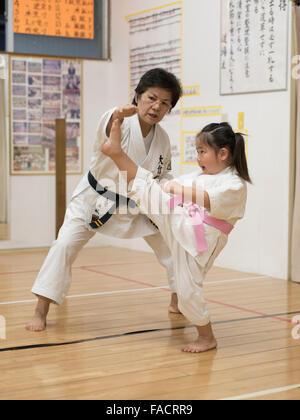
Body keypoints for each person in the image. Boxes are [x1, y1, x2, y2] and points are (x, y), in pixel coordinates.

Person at [26, 68, 182, 332]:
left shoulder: (163, 139)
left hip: (138, 204)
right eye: (152, 98)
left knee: (175, 248)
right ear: (137, 96)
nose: (156, 107)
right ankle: (40, 311)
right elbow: (110, 125)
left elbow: (162, 171)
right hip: (96, 200)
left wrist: (171, 188)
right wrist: (118, 115)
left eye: (165, 103)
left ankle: (178, 300)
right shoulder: (117, 121)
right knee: (63, 246)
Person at [101, 119, 251, 353]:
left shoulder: (235, 184)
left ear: (223, 153)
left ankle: (207, 337)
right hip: (180, 223)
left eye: (202, 152)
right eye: (197, 152)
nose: (198, 158)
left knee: (187, 290)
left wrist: (176, 189)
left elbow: (210, 200)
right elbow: (170, 187)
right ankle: (117, 154)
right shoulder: (200, 176)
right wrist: (166, 188)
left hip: (199, 241)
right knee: (147, 188)